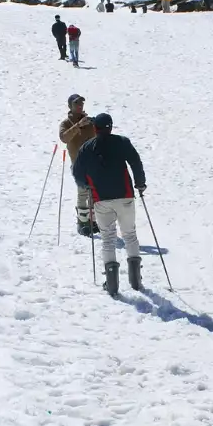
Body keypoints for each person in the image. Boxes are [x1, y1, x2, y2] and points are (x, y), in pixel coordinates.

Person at [72, 113, 147, 296]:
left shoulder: (86, 147)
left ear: (94, 128)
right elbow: (135, 162)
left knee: (108, 238)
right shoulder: (122, 142)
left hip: (101, 199)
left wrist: (86, 185)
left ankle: (112, 284)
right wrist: (140, 183)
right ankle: (136, 281)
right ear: (111, 127)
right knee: (130, 235)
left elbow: (77, 171)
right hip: (125, 196)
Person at [59, 94, 99, 237]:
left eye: (81, 103)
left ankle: (92, 221)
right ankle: (82, 223)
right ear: (70, 106)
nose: (80, 105)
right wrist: (78, 125)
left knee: (94, 192)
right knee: (83, 191)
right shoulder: (66, 123)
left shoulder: (89, 122)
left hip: (93, 162)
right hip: (78, 163)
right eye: (76, 103)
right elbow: (64, 138)